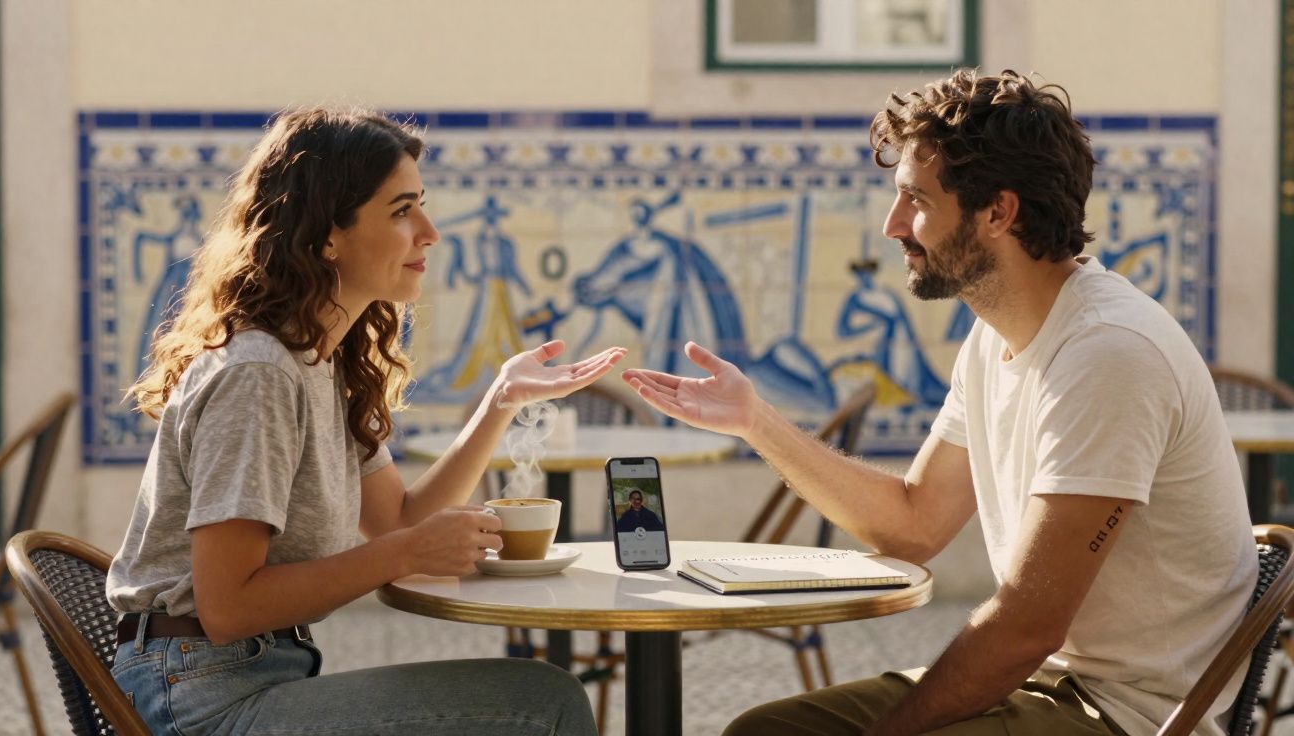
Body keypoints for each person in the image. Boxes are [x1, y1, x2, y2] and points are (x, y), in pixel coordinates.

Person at [623, 69, 1256, 736]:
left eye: (915, 201)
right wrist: (756, 420)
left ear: (998, 212)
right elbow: (914, 524)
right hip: (1045, 687)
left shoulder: (1110, 354)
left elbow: (1024, 628)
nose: (893, 225)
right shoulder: (993, 340)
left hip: (1123, 715)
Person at [106, 107, 624, 736]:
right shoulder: (260, 373)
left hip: (240, 677)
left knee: (540, 695)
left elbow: (401, 521)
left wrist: (502, 400)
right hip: (198, 700)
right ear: (328, 235)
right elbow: (227, 606)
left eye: (422, 206)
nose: (429, 233)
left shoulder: (318, 364)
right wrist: (401, 552)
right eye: (402, 210)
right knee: (543, 703)